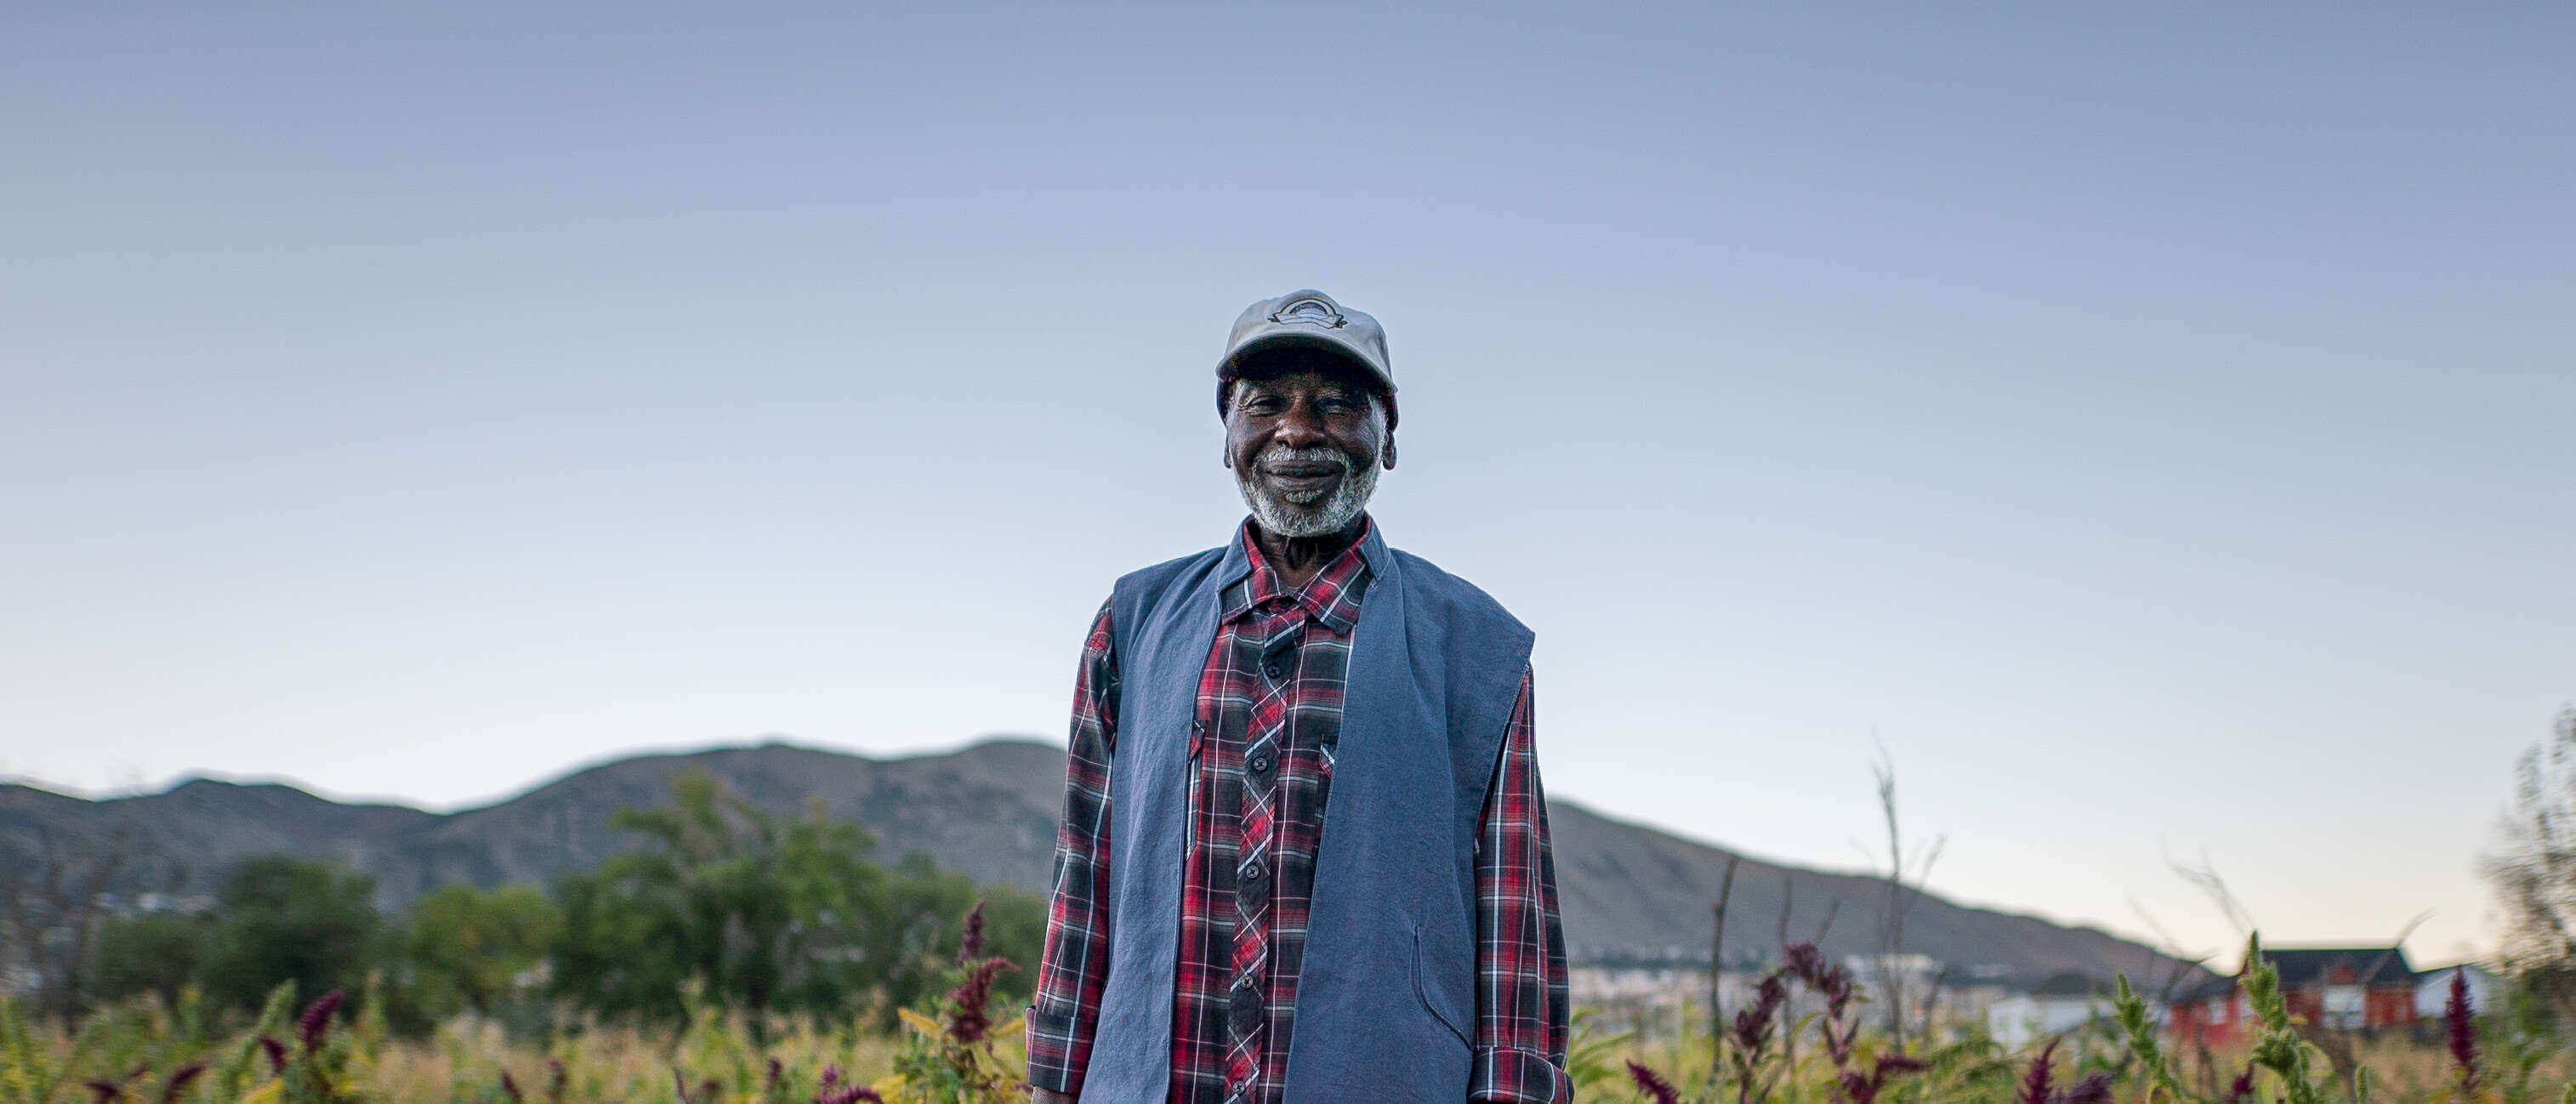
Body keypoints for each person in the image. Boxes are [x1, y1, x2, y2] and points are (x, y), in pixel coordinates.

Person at [1025, 290, 1571, 1103]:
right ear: (1228, 437)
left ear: (1386, 437)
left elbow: (1511, 913)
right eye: (1267, 404)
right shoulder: (1134, 623)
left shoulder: (1477, 646)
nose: (1298, 429)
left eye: (1338, 404)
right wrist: (1052, 1083)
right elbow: (1085, 876)